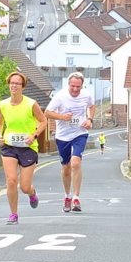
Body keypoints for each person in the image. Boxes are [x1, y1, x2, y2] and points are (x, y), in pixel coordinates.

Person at [0, 71, 47, 225]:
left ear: (23, 86)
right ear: (8, 84)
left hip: (28, 147)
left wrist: (34, 135)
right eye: (12, 83)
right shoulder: (3, 104)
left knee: (24, 186)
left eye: (17, 83)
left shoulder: (31, 104)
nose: (14, 85)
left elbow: (43, 121)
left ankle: (32, 193)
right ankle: (14, 214)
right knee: (11, 181)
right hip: (9, 146)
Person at [44, 72, 95, 213]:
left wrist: (90, 120)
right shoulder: (60, 97)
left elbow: (92, 106)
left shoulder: (86, 95)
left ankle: (76, 198)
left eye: (78, 87)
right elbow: (47, 113)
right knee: (66, 168)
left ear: (82, 85)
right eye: (73, 86)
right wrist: (62, 116)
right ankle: (67, 196)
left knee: (76, 163)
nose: (75, 89)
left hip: (80, 133)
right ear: (68, 84)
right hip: (63, 136)